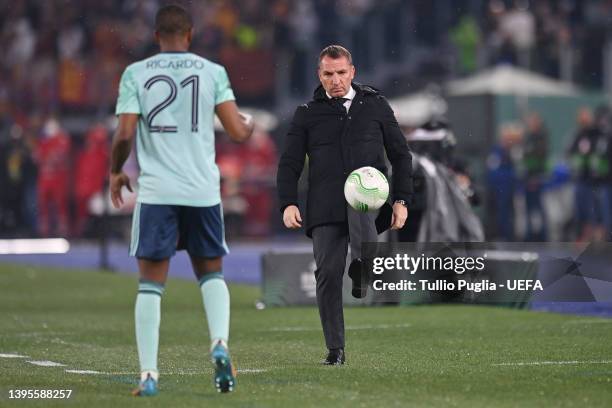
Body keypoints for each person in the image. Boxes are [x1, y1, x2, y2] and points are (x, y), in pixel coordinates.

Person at [109, 5, 253, 397]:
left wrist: (115, 170)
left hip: (157, 192)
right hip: (201, 191)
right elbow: (238, 131)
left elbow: (123, 134)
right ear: (190, 35)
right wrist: (249, 123)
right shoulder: (212, 72)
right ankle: (219, 344)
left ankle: (149, 376)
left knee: (150, 286)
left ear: (156, 36)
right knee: (211, 275)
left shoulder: (136, 73)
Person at [277, 45, 412, 365]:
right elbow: (289, 163)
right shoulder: (307, 113)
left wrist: (402, 200)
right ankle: (335, 349)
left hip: (367, 201)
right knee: (327, 273)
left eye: (341, 73)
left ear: (352, 72)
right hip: (324, 205)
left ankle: (363, 265)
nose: (335, 80)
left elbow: (401, 155)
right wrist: (288, 203)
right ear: (319, 75)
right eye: (328, 74)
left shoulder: (375, 105)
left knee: (364, 242)